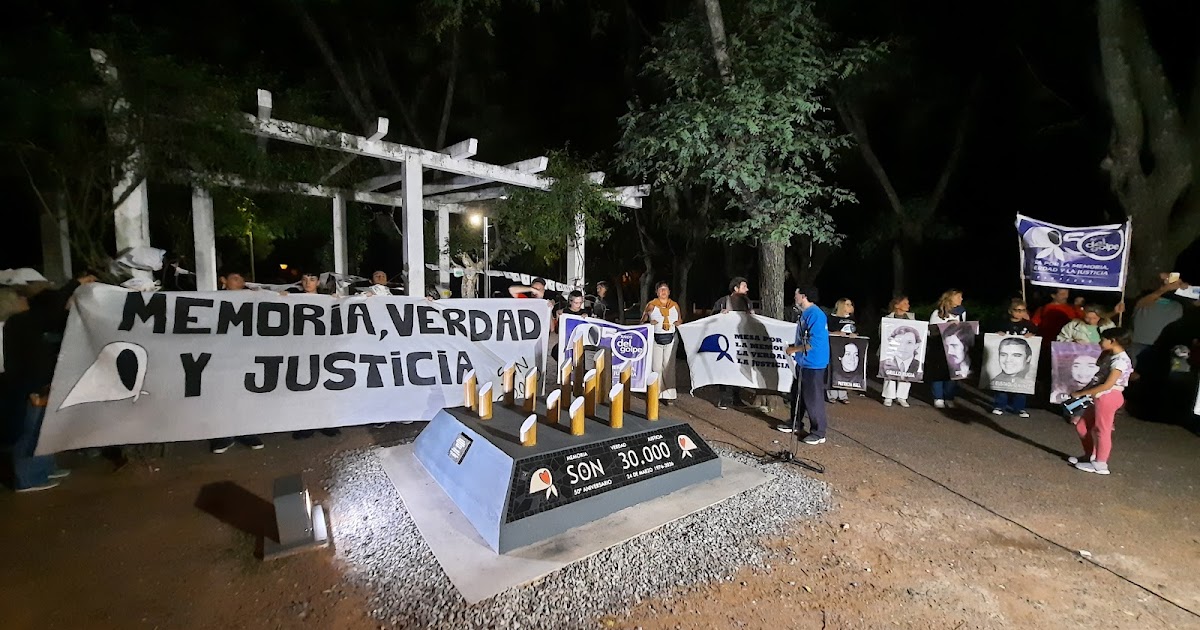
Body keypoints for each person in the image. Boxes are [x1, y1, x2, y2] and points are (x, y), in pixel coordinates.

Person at [4, 273, 96, 491]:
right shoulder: (24, 321)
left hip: (39, 384)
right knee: (31, 432)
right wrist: (77, 283)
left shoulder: (29, 322)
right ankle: (28, 479)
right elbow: (54, 305)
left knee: (43, 430)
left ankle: (44, 468)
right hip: (30, 386)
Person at [210, 271, 266, 454]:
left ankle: (247, 432)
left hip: (246, 355)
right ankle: (225, 435)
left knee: (246, 394)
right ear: (223, 281)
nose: (240, 282)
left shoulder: (252, 299)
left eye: (242, 279)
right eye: (235, 278)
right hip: (222, 356)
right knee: (223, 395)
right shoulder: (212, 300)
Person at [1067, 327, 1134, 475]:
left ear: (1113, 341)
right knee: (1082, 426)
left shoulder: (1121, 361)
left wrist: (1081, 393)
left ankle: (1101, 464)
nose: (1100, 342)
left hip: (1108, 396)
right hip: (1101, 396)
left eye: (1103, 339)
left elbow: (1108, 385)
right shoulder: (1111, 356)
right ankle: (1089, 455)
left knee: (1102, 430)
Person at [285, 272, 341, 440]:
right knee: (303, 387)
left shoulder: (328, 300)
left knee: (324, 386)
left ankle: (324, 422)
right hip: (301, 349)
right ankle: (305, 424)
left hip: (323, 349)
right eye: (304, 279)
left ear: (317, 282)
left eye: (311, 279)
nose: (307, 283)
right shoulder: (292, 299)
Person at [783, 286, 829, 444]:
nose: (794, 297)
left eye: (796, 294)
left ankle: (819, 432)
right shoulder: (805, 314)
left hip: (814, 363)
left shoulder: (816, 315)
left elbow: (813, 343)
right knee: (798, 393)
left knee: (812, 398)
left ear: (803, 296)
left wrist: (793, 349)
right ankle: (795, 422)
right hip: (803, 361)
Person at [991, 300, 1037, 417]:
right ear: (1010, 311)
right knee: (1002, 384)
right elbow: (992, 336)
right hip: (1007, 362)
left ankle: (1019, 408)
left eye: (1023, 310)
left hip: (1020, 363)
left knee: (1021, 385)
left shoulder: (1029, 325)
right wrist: (997, 334)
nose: (1020, 313)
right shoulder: (1002, 323)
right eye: (1017, 310)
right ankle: (1000, 405)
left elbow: (1036, 337)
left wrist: (1032, 336)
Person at [713, 277, 752, 409]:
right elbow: (711, 318)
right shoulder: (724, 301)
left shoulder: (747, 303)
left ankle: (736, 397)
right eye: (744, 286)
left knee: (739, 369)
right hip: (726, 341)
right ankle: (724, 399)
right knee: (725, 369)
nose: (747, 289)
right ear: (735, 288)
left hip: (741, 341)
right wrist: (719, 314)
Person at [1130, 273, 1188, 363]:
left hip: (1159, 348)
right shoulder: (1144, 302)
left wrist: (1188, 291)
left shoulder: (1177, 306)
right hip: (1140, 346)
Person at [641, 282, 681, 405]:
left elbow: (680, 320)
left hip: (671, 338)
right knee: (656, 367)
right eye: (661, 290)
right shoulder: (651, 305)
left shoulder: (675, 306)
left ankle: (668, 395)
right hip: (655, 338)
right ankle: (655, 393)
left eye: (665, 289)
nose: (663, 292)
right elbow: (642, 322)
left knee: (668, 367)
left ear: (669, 292)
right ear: (657, 292)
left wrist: (678, 323)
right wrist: (649, 323)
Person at [928, 289, 966, 408]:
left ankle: (949, 396)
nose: (961, 299)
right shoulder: (937, 313)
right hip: (939, 345)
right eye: (959, 297)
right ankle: (938, 397)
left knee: (953, 373)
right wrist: (948, 325)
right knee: (938, 372)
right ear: (950, 298)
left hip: (955, 346)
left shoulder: (962, 312)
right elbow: (931, 331)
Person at [880, 296, 916, 407]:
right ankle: (889, 396)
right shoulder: (887, 318)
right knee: (890, 371)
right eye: (905, 303)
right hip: (891, 349)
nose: (908, 305)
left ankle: (902, 397)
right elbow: (881, 333)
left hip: (906, 351)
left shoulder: (912, 319)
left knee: (905, 372)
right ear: (896, 305)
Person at [825, 298, 857, 404]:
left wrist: (854, 335)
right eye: (847, 304)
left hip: (848, 347)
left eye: (850, 304)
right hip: (834, 347)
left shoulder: (853, 319)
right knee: (833, 369)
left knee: (844, 370)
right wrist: (836, 333)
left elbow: (856, 331)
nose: (850, 306)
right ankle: (831, 394)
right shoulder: (831, 318)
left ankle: (843, 394)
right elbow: (826, 331)